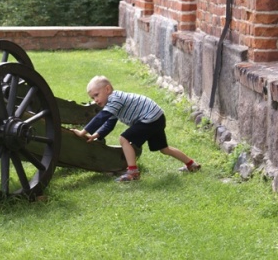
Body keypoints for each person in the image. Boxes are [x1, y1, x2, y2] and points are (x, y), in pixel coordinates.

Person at [71, 75, 201, 182]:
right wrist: (96, 135)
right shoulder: (112, 104)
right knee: (164, 149)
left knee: (124, 139)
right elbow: (109, 123)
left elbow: (101, 117)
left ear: (108, 89)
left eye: (96, 95)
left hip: (149, 118)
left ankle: (133, 172)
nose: (95, 100)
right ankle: (191, 164)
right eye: (93, 98)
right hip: (157, 117)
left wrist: (83, 132)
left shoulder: (115, 99)